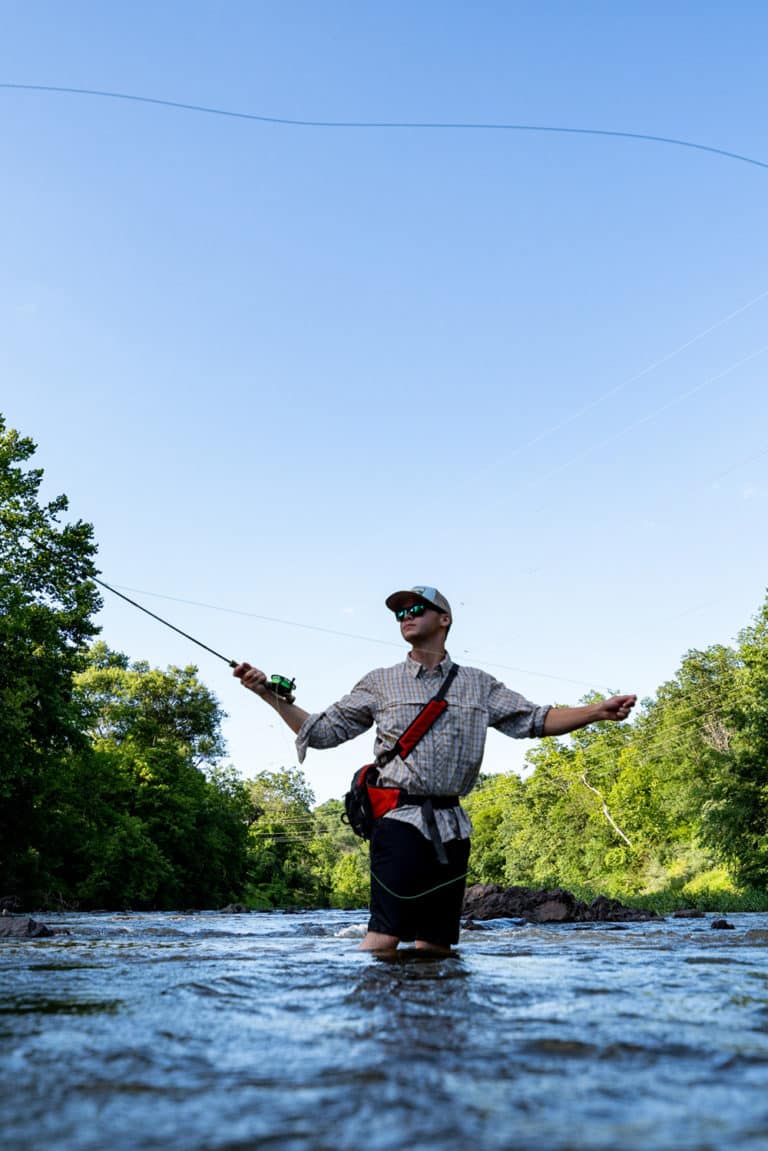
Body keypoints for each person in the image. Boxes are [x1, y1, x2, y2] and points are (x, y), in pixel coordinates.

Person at [234, 585, 636, 955]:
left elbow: (534, 720)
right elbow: (321, 732)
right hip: (398, 820)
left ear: (444, 619)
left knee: (437, 943)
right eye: (399, 613)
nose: (405, 616)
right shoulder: (380, 682)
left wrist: (596, 712)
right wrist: (268, 694)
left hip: (454, 828)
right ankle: (373, 1024)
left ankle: (437, 1027)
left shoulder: (479, 685)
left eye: (415, 608)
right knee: (384, 936)